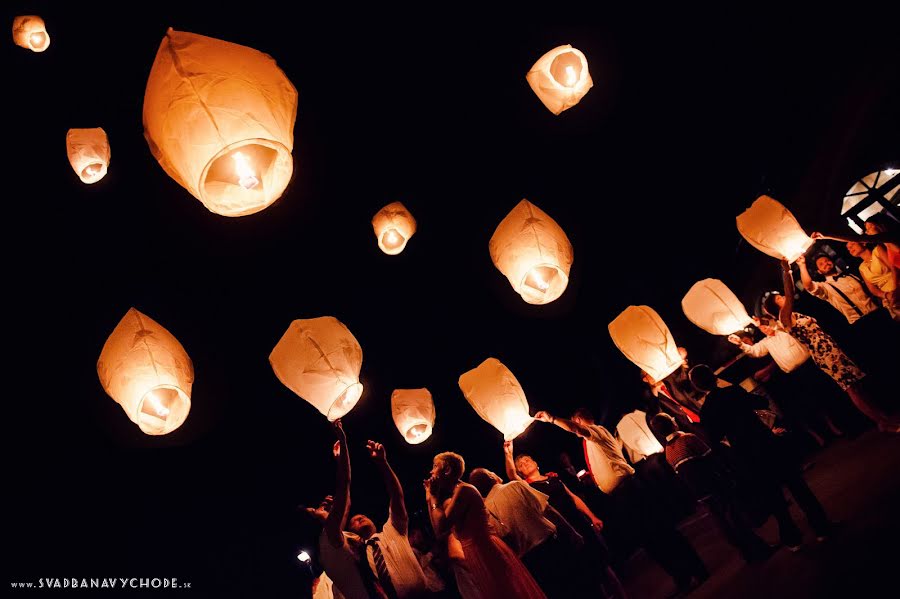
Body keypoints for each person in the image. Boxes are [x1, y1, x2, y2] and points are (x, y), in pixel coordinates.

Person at [533, 409, 709, 595]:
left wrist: (552, 419)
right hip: (621, 495)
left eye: (574, 422)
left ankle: (695, 570)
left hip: (630, 491)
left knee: (661, 531)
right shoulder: (592, 442)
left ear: (578, 420)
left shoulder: (596, 431)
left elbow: (577, 430)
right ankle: (681, 575)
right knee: (649, 539)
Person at [690, 363, 836, 551]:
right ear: (713, 376)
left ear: (697, 386)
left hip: (747, 455)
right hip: (766, 443)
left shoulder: (707, 411)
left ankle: (792, 540)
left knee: (774, 498)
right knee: (798, 487)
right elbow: (761, 403)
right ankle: (822, 528)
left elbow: (715, 440)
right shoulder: (733, 391)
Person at [767, 258, 900, 433]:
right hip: (825, 356)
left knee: (858, 385)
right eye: (779, 298)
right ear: (774, 307)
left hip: (831, 349)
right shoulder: (784, 318)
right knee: (852, 388)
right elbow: (790, 294)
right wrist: (787, 271)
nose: (783, 297)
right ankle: (881, 422)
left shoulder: (795, 314)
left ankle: (883, 418)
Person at [505, 442, 628, 599]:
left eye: (527, 460)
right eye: (520, 465)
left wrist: (592, 516)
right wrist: (508, 453)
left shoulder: (553, 477)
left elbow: (573, 497)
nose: (525, 463)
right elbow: (511, 475)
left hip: (580, 522)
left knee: (603, 564)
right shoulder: (528, 488)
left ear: (535, 463)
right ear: (520, 472)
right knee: (589, 574)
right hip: (565, 531)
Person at [648, 413, 774, 564]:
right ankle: (759, 550)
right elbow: (712, 459)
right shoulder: (687, 438)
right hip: (715, 485)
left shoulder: (668, 452)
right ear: (673, 423)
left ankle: (746, 553)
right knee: (736, 517)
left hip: (700, 493)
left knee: (723, 523)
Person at [423, 451, 546, 599]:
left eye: (435, 466)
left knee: (508, 591)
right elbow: (439, 531)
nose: (431, 471)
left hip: (485, 548)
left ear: (447, 470)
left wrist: (434, 497)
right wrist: (430, 497)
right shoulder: (454, 496)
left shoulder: (464, 490)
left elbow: (442, 525)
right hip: (476, 552)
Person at [467, 467, 582, 599]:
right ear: (492, 477)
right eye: (491, 472)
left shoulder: (486, 511)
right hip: (553, 545)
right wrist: (572, 532)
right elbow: (547, 509)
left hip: (531, 561)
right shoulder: (514, 486)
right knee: (577, 587)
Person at [306, 420, 383, 599]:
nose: (329, 503)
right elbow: (344, 487)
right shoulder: (330, 540)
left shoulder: (348, 542)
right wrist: (342, 438)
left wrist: (341, 459)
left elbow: (345, 499)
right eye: (322, 507)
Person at [347, 440, 428, 598]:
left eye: (363, 516)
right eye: (355, 520)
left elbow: (397, 496)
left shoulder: (392, 529)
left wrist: (383, 463)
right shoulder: (359, 556)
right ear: (352, 532)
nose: (360, 518)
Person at [846, 240, 899, 320]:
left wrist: (895, 290)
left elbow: (894, 268)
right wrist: (885, 295)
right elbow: (872, 289)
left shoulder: (878, 250)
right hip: (887, 295)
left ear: (863, 243)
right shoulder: (861, 268)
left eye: (852, 244)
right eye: (848, 249)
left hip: (897, 284)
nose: (850, 248)